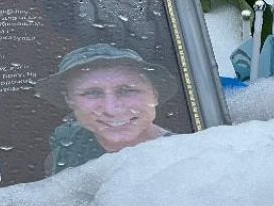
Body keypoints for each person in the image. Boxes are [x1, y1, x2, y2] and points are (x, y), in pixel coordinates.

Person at [35, 43, 180, 175]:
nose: (111, 110)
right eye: (92, 93)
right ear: (69, 100)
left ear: (154, 95)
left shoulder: (188, 159)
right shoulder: (65, 147)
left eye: (127, 91)